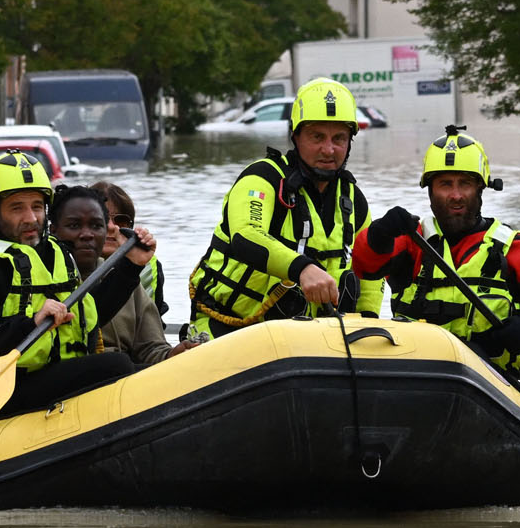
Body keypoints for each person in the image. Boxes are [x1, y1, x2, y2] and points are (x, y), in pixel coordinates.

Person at [352, 126, 520, 386]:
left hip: (493, 385)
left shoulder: (514, 249)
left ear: (480, 189)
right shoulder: (410, 240)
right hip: (415, 379)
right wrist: (379, 234)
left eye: (465, 183)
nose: (456, 195)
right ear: (430, 190)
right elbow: (364, 266)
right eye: (445, 184)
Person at [0, 152, 158, 418]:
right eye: (17, 208)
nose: (30, 218)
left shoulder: (54, 253)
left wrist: (131, 266)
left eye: (37, 206)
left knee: (134, 370)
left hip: (48, 376)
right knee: (117, 365)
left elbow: (88, 315)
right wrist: (31, 322)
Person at [186, 76, 383, 339]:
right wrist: (303, 268)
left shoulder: (353, 200)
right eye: (317, 136)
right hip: (229, 329)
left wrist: (367, 321)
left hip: (310, 339)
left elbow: (369, 268)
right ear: (295, 136)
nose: (329, 149)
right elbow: (246, 235)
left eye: (339, 138)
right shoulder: (261, 178)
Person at [52, 184, 192, 367]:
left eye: (96, 225)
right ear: (53, 230)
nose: (112, 228)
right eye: (75, 225)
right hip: (81, 378)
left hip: (128, 379)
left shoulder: (132, 280)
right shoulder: (47, 278)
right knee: (118, 363)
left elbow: (152, 349)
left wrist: (175, 355)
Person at [94, 180, 167, 318]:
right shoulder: (68, 262)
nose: (112, 227)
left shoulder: (149, 265)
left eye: (121, 221)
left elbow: (154, 324)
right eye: (101, 219)